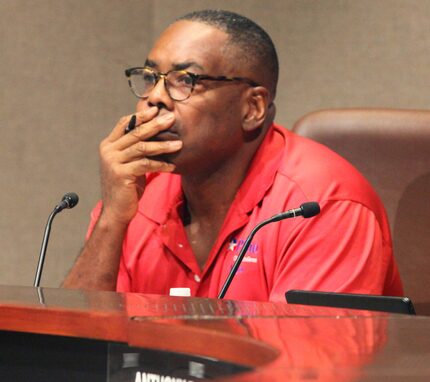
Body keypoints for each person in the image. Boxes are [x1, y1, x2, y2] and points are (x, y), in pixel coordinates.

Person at [63, 9, 403, 301]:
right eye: (151, 78)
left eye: (186, 80)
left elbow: (310, 367)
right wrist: (111, 220)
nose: (155, 98)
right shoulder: (139, 189)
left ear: (252, 107)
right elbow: (69, 350)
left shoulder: (322, 206)